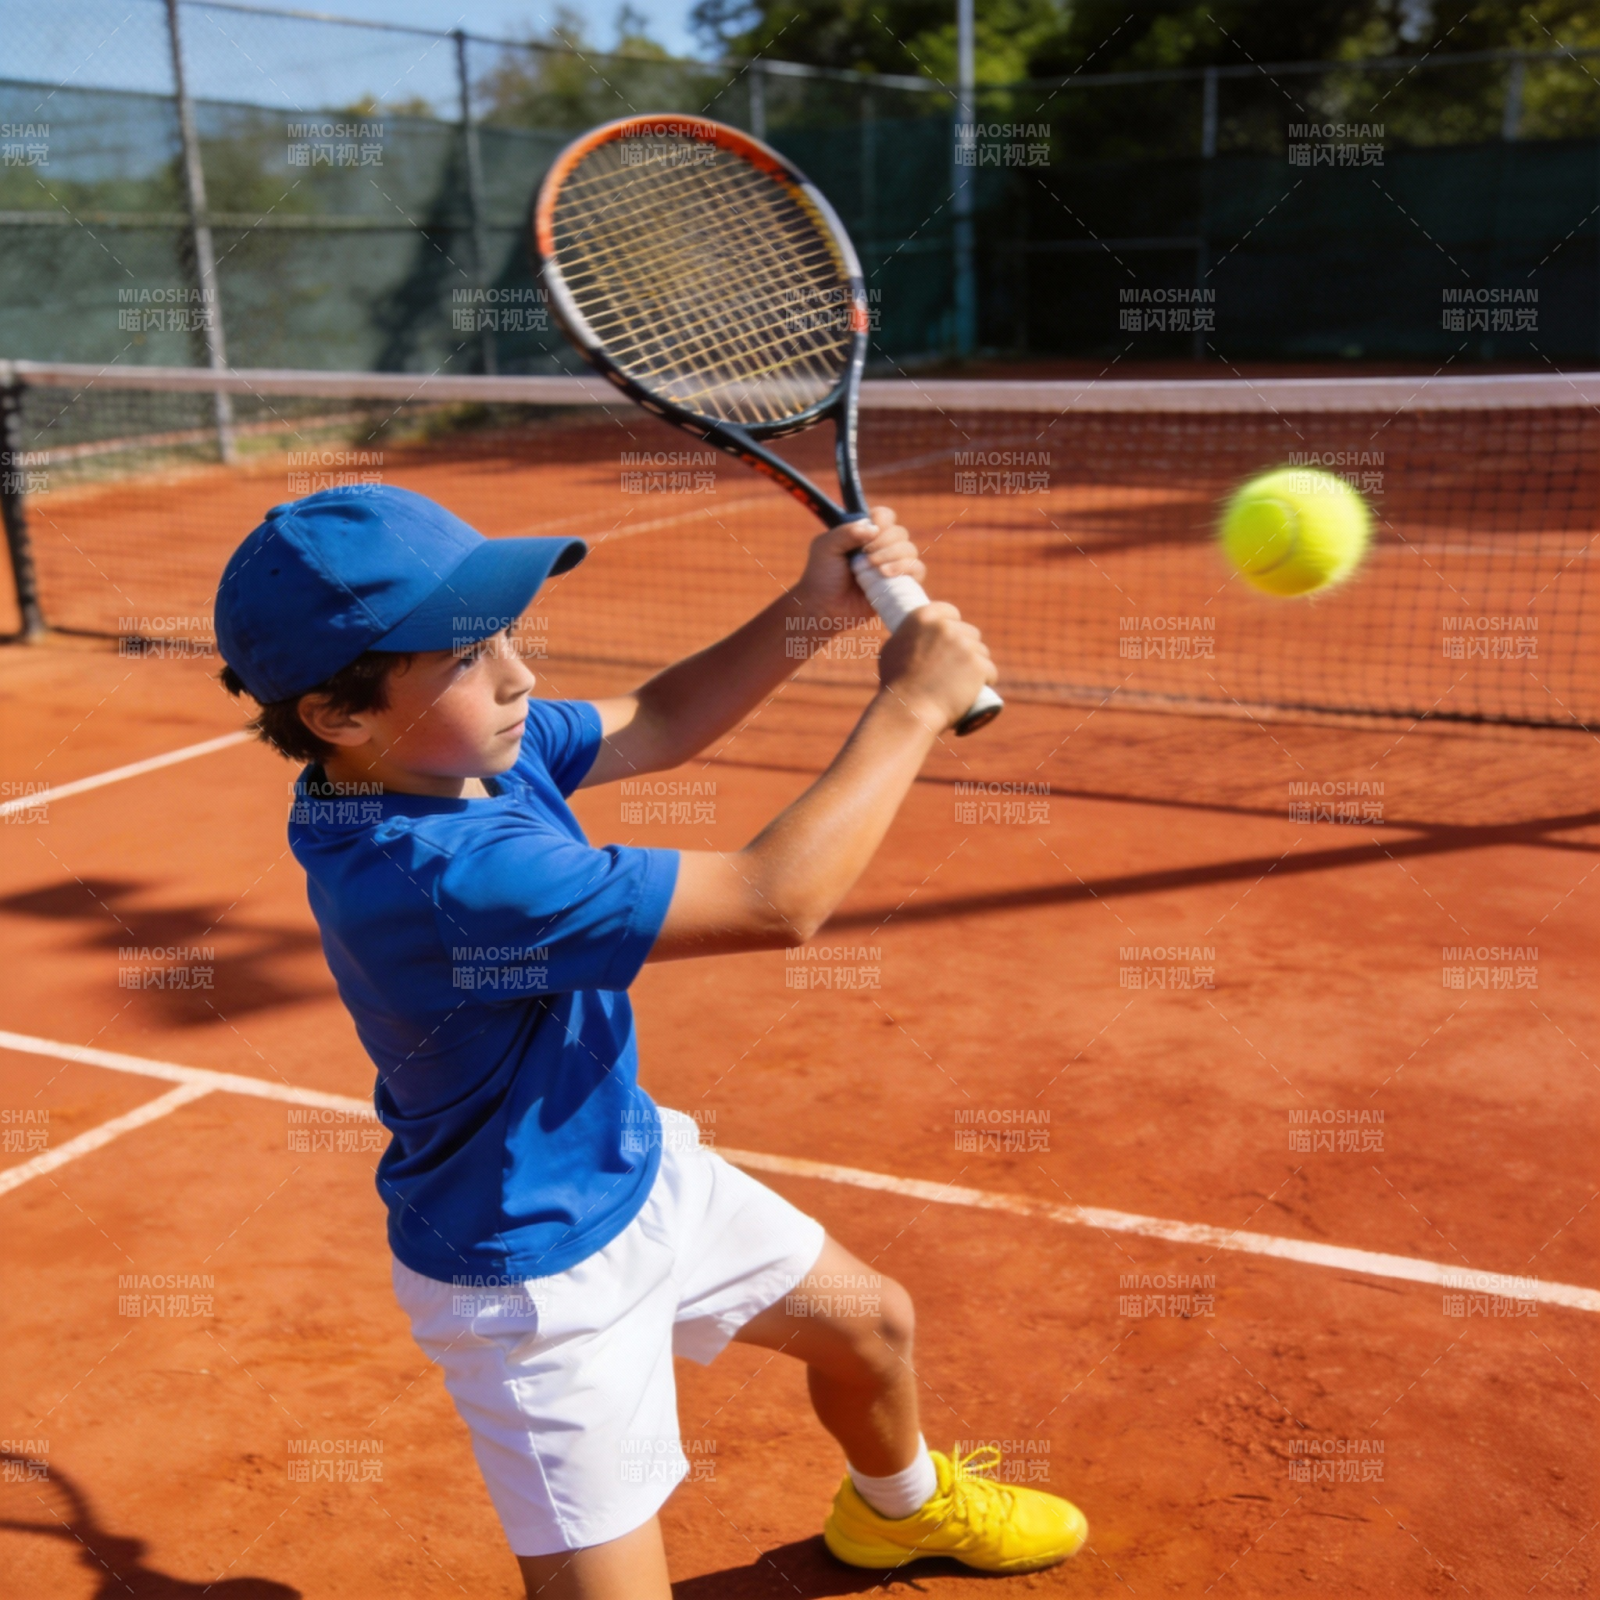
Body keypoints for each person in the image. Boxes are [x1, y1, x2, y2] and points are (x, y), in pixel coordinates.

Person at [215, 483, 1086, 1598]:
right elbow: (777, 898)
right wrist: (912, 706)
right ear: (339, 714)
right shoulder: (438, 874)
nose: (521, 674)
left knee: (870, 1327)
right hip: (530, 1277)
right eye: (470, 654)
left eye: (504, 635)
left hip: (634, 1165)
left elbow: (661, 720)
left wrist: (808, 610)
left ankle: (899, 1514)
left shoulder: (454, 751)